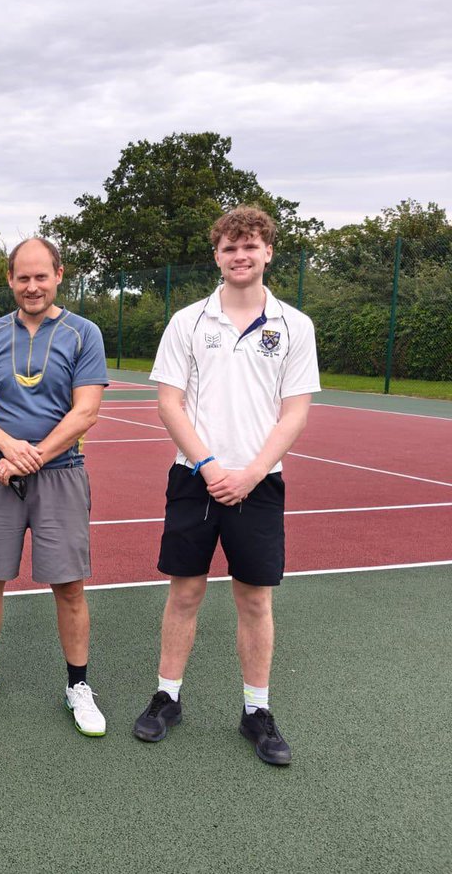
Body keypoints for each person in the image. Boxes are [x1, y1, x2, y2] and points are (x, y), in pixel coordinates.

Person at [133, 206, 320, 765]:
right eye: (230, 247)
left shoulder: (295, 325)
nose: (240, 255)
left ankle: (256, 711)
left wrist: (251, 471)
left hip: (259, 484)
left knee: (254, 600)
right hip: (195, 478)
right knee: (185, 592)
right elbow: (169, 402)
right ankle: (167, 697)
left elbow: (295, 412)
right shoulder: (188, 321)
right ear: (216, 255)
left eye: (251, 245)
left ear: (268, 252)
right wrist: (210, 465)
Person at [0, 237, 111, 734]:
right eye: (22, 277)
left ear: (59, 274)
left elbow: (87, 411)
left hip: (61, 474)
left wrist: (28, 458)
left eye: (41, 276)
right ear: (10, 280)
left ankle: (78, 684)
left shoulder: (85, 333)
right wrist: (8, 447)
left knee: (69, 586)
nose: (32, 286)